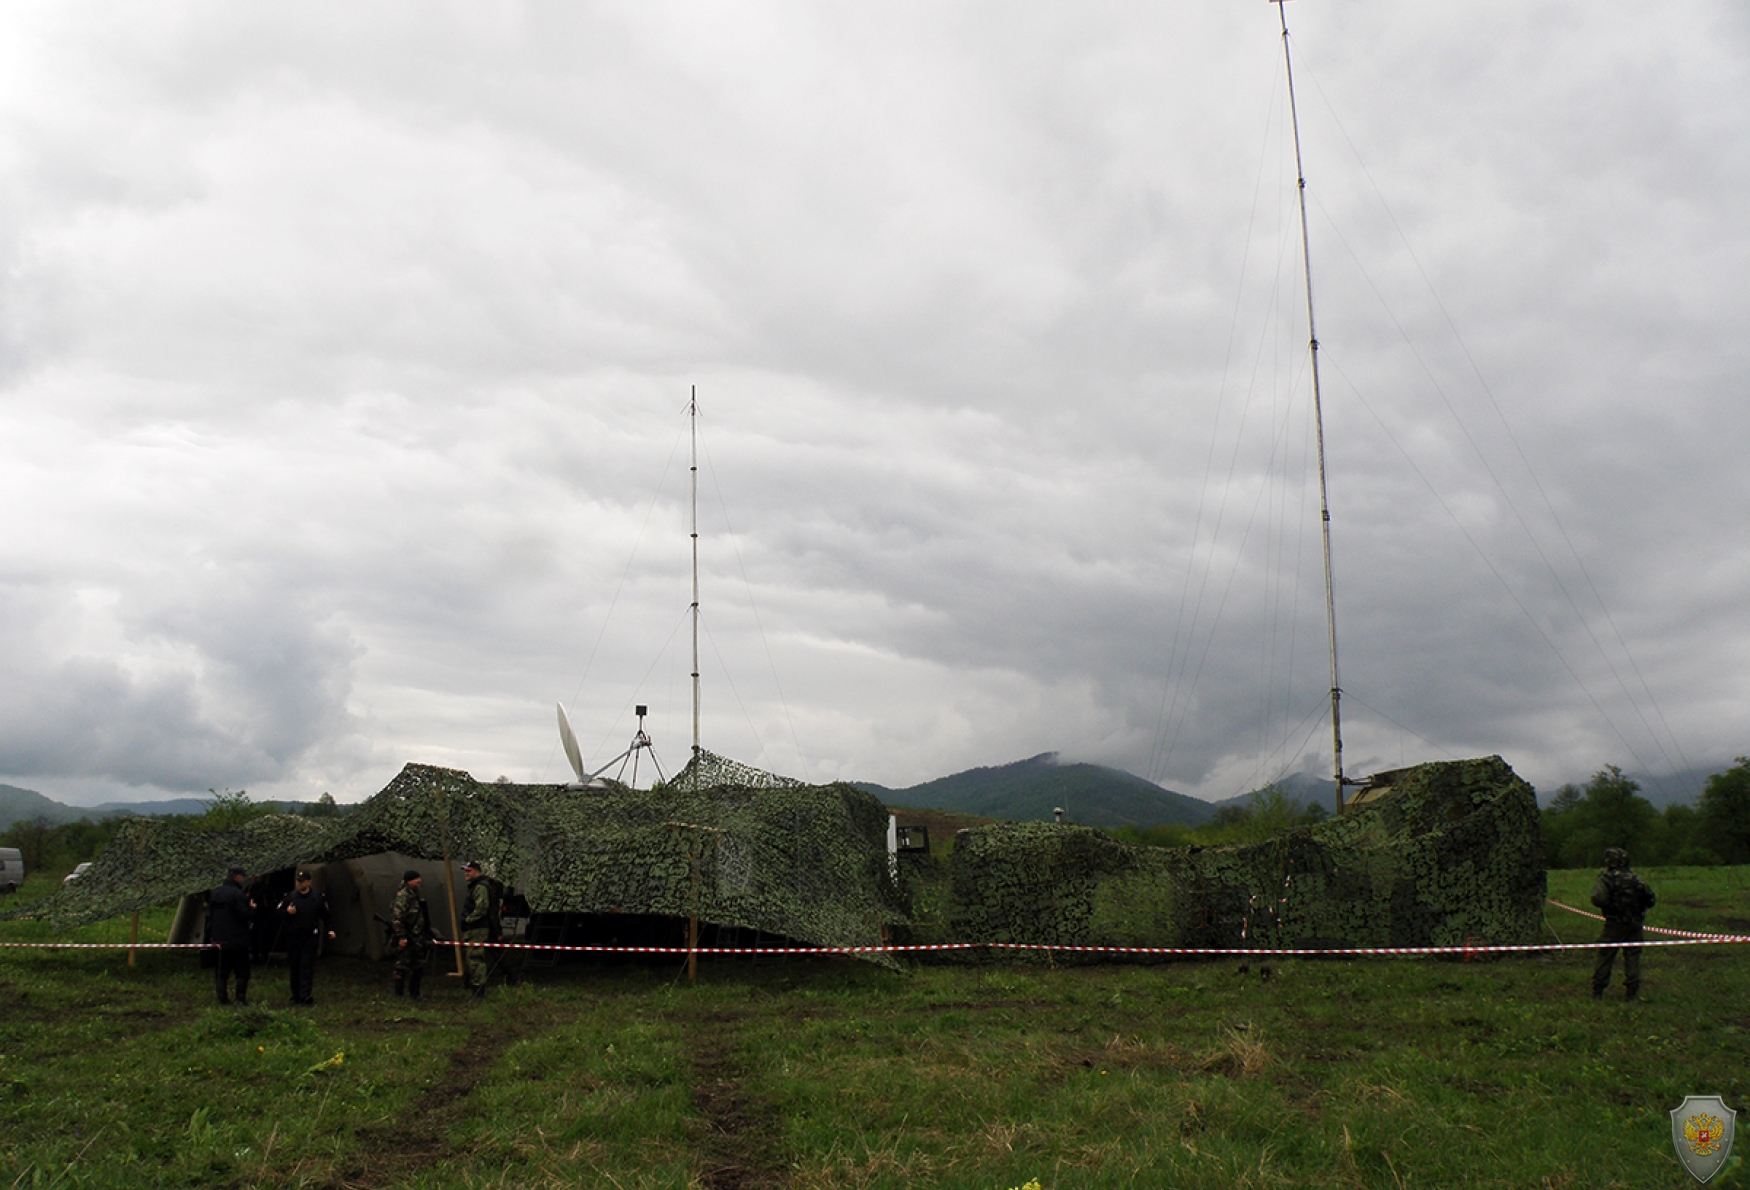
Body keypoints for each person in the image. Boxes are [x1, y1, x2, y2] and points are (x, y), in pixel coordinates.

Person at [1591, 846, 1656, 1001]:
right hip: (1635, 924)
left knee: (1605, 955)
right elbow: (1651, 900)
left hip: (1614, 924)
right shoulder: (1637, 879)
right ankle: (1632, 992)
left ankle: (1598, 991)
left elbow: (1597, 898)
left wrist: (1610, 906)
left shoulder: (1607, 878)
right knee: (1633, 956)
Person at [277, 869, 335, 1006]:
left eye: (302, 881)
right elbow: (277, 914)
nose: (300, 883)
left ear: (309, 882)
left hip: (309, 936)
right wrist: (287, 912)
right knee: (295, 966)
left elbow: (326, 915)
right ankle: (295, 995)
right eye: (298, 881)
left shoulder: (317, 897)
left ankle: (305, 995)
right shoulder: (290, 897)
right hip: (293, 936)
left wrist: (330, 929)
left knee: (306, 966)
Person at [209, 866, 256, 1006]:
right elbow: (244, 915)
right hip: (237, 940)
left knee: (221, 971)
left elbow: (211, 915)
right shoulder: (238, 894)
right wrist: (252, 909)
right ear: (238, 877)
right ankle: (240, 999)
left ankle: (221, 998)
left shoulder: (216, 893)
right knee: (242, 971)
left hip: (219, 939)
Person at [390, 869, 432, 1000]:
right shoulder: (403, 896)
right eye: (416, 879)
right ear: (409, 881)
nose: (419, 881)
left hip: (417, 937)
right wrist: (401, 936)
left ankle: (415, 993)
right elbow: (397, 918)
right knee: (401, 966)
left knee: (418, 966)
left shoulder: (415, 895)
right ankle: (399, 994)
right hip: (407, 937)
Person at [459, 860, 492, 1000]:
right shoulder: (474, 886)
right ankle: (474, 988)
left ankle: (478, 992)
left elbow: (481, 908)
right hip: (473, 928)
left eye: (469, 871)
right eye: (466, 871)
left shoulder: (480, 887)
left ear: (477, 871)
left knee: (475, 959)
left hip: (477, 928)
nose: (466, 874)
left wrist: (469, 920)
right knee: (471, 958)